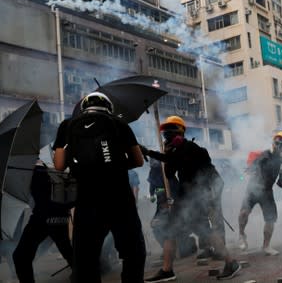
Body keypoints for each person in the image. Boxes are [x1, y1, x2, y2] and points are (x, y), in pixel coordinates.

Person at [53, 92, 146, 283]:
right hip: (119, 199)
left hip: (87, 201)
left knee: (86, 258)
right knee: (132, 252)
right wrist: (118, 165)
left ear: (84, 107)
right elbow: (138, 161)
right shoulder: (119, 124)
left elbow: (60, 165)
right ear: (108, 106)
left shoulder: (67, 126)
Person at [141, 116, 240, 282]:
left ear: (180, 131)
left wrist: (158, 153)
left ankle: (230, 262)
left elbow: (200, 169)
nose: (167, 134)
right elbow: (170, 173)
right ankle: (167, 270)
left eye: (171, 129)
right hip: (184, 198)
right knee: (170, 232)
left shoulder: (191, 148)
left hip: (195, 198)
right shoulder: (174, 151)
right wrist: (159, 153)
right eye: (165, 131)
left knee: (205, 232)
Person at [13, 159, 74, 283]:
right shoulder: (47, 165)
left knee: (21, 256)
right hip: (59, 216)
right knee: (68, 252)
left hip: (44, 217)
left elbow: (33, 200)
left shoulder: (33, 169)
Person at [238, 131, 282, 256]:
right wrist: (252, 168)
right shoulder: (265, 154)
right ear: (273, 142)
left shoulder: (281, 160)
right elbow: (257, 163)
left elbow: (280, 180)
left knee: (271, 220)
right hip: (253, 189)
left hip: (267, 192)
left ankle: (266, 246)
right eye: (277, 141)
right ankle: (241, 234)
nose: (279, 144)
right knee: (243, 213)